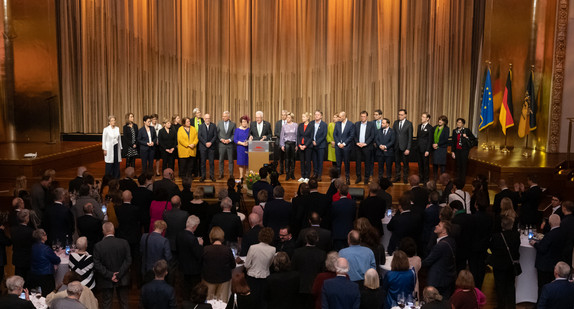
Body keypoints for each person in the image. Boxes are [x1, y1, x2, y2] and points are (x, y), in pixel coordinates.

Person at [93, 222, 132, 309]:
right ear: (113, 230)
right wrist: (119, 275)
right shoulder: (124, 243)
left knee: (106, 303)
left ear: (103, 232)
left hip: (106, 279)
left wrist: (110, 275)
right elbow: (128, 261)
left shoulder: (98, 246)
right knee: (124, 302)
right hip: (122, 277)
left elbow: (97, 264)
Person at [489, 216, 520, 309]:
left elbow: (492, 248)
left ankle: (501, 306)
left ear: (502, 225)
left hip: (499, 265)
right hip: (511, 265)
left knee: (500, 287)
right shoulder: (516, 235)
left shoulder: (496, 236)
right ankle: (511, 306)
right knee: (511, 286)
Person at [292, 229, 327, 308]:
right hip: (314, 287)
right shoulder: (322, 254)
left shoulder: (297, 252)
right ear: (317, 239)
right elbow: (322, 271)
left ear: (305, 239)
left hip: (300, 287)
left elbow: (293, 269)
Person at [422, 221, 456, 299]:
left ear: (444, 231)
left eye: (439, 225)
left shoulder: (440, 246)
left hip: (438, 280)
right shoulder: (451, 241)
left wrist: (416, 263)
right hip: (448, 278)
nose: (436, 226)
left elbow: (428, 261)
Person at [531, 214, 564, 290]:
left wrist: (534, 243)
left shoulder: (550, 235)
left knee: (542, 286)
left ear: (549, 223)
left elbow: (542, 249)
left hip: (545, 265)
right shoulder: (562, 232)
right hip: (555, 263)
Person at [202, 226, 236, 301]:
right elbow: (233, 265)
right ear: (222, 236)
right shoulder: (227, 250)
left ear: (211, 236)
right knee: (222, 302)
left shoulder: (206, 249)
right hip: (224, 280)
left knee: (209, 301)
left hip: (209, 279)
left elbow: (201, 264)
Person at [244, 227, 275, 307]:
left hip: (252, 277)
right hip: (265, 277)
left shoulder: (253, 247)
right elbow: (270, 264)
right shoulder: (273, 249)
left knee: (252, 301)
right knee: (262, 302)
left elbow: (246, 265)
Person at [28, 229, 61, 297]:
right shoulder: (46, 248)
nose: (46, 236)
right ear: (42, 237)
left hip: (34, 273)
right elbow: (57, 260)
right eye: (45, 234)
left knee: (39, 294)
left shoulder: (33, 247)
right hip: (46, 275)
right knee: (48, 294)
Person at [177, 215, 204, 294]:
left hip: (182, 266)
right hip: (193, 269)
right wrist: (200, 245)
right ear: (195, 226)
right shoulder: (192, 239)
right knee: (194, 289)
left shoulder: (179, 234)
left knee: (185, 288)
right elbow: (198, 254)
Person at [330, 184, 356, 251]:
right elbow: (354, 217)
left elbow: (331, 217)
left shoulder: (334, 204)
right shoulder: (353, 203)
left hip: (337, 233)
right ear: (347, 192)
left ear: (339, 192)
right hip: (349, 232)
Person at [11, 209, 35, 280]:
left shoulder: (13, 230)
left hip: (17, 258)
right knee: (27, 280)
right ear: (26, 219)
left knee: (18, 278)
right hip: (27, 259)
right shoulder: (30, 231)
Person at [115, 191, 141, 256]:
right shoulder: (136, 209)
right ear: (131, 197)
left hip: (121, 234)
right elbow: (138, 220)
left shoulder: (117, 209)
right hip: (133, 235)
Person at [333, 111, 355, 185]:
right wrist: (339, 143)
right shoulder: (337, 124)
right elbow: (334, 135)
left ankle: (347, 178)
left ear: (344, 116)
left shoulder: (351, 124)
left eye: (340, 117)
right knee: (338, 164)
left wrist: (344, 144)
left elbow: (351, 136)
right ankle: (338, 179)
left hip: (346, 147)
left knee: (346, 163)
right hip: (338, 146)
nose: (338, 118)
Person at [354, 111, 376, 184]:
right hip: (358, 146)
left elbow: (372, 136)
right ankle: (359, 177)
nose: (362, 118)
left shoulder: (371, 124)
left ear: (367, 117)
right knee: (358, 163)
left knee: (367, 163)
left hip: (367, 146)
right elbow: (354, 135)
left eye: (364, 116)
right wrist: (357, 142)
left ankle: (366, 178)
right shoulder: (357, 124)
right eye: (361, 116)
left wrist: (365, 143)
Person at [392, 109, 413, 184]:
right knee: (397, 163)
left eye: (401, 115)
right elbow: (393, 134)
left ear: (405, 115)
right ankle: (397, 177)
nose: (399, 116)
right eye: (399, 114)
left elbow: (410, 137)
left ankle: (405, 178)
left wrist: (408, 148)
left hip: (405, 147)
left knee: (405, 164)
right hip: (396, 146)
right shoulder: (395, 123)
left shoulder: (409, 124)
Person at [198, 113, 217, 182]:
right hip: (203, 147)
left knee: (211, 163)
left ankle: (212, 176)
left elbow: (215, 136)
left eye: (208, 118)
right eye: (206, 118)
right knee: (203, 163)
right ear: (204, 119)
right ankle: (203, 176)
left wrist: (210, 142)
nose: (207, 120)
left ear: (210, 119)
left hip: (211, 147)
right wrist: (205, 143)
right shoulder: (201, 126)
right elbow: (199, 136)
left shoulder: (213, 125)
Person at [216, 111, 236, 179]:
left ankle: (231, 175)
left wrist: (229, 140)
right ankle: (221, 174)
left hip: (230, 145)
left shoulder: (233, 124)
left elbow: (234, 134)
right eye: (223, 116)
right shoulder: (219, 123)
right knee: (221, 160)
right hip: (221, 144)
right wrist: (221, 139)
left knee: (231, 160)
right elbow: (217, 133)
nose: (223, 117)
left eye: (224, 116)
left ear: (228, 117)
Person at [280, 112, 298, 181]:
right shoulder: (284, 126)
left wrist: (297, 145)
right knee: (287, 159)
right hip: (286, 143)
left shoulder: (295, 125)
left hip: (293, 143)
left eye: (289, 117)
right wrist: (282, 145)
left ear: (292, 118)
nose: (287, 119)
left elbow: (297, 135)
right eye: (287, 117)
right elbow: (282, 136)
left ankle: (292, 173)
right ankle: (287, 174)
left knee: (293, 159)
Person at [311, 110, 328, 180]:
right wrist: (312, 141)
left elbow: (324, 135)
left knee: (320, 161)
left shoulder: (324, 125)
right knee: (314, 161)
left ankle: (319, 175)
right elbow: (309, 133)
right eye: (315, 114)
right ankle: (315, 173)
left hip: (321, 145)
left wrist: (317, 142)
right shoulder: (311, 123)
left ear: (321, 116)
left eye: (318, 114)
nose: (316, 116)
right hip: (312, 145)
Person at [431, 115, 449, 180]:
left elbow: (445, 139)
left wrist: (437, 144)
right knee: (435, 164)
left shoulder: (446, 129)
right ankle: (435, 177)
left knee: (442, 164)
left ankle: (442, 178)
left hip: (442, 148)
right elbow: (431, 137)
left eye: (441, 120)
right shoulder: (435, 127)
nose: (440, 121)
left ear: (445, 122)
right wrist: (433, 144)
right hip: (435, 148)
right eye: (439, 119)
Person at [297, 112, 314, 181]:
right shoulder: (300, 125)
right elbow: (298, 136)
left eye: (304, 117)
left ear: (307, 118)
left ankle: (307, 176)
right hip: (300, 146)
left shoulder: (311, 126)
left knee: (308, 161)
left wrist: (305, 145)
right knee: (302, 162)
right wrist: (299, 145)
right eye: (302, 117)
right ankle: (302, 176)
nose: (302, 118)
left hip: (308, 146)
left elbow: (311, 137)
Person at [417, 112, 433, 183]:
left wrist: (427, 150)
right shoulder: (419, 126)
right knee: (420, 165)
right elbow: (418, 137)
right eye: (422, 116)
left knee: (425, 165)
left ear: (427, 119)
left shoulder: (430, 128)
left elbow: (430, 140)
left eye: (423, 117)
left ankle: (426, 180)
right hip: (419, 148)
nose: (422, 118)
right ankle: (421, 178)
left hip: (425, 149)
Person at [234, 115, 250, 179]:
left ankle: (247, 176)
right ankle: (241, 176)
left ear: (247, 122)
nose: (244, 123)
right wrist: (242, 143)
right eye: (243, 122)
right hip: (240, 148)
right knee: (241, 163)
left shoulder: (249, 130)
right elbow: (235, 140)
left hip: (248, 148)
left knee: (247, 163)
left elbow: (251, 138)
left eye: (245, 122)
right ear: (241, 122)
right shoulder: (237, 130)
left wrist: (248, 142)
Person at [274, 110, 288, 174]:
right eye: (282, 115)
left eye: (284, 115)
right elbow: (275, 132)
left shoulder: (289, 122)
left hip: (287, 142)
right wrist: (282, 136)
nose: (283, 116)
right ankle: (281, 170)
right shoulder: (278, 123)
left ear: (286, 115)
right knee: (280, 158)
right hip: (279, 142)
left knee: (287, 157)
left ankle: (287, 170)